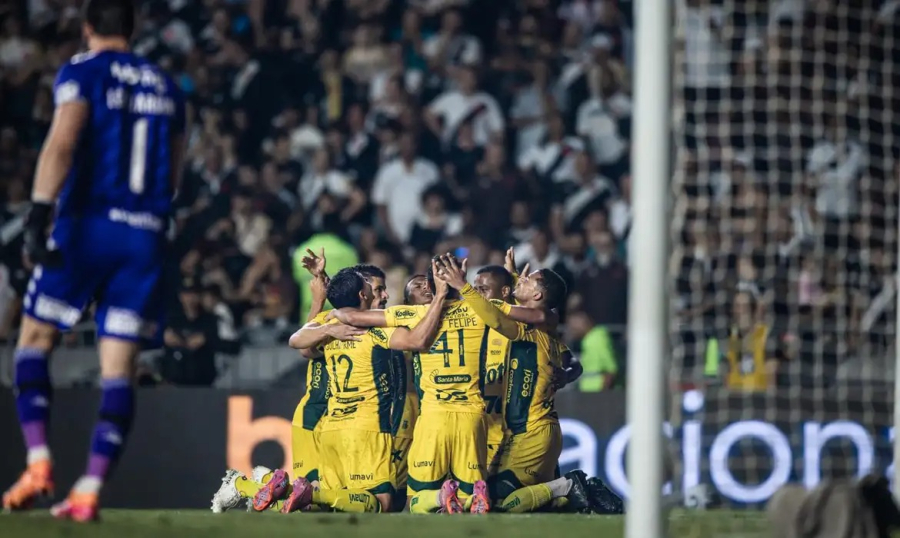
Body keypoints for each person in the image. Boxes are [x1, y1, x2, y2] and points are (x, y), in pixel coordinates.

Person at [3, 0, 186, 521]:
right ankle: (89, 488)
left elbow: (63, 142)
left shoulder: (82, 71)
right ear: (134, 28)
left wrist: (39, 212)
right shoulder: (168, 86)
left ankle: (39, 462)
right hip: (145, 237)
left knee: (34, 339)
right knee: (118, 370)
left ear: (87, 29)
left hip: (86, 228)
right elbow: (171, 179)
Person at [273, 266, 448, 513]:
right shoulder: (375, 330)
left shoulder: (328, 323)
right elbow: (417, 341)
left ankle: (311, 495)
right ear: (362, 296)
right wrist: (440, 298)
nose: (378, 293)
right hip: (367, 426)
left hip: (333, 426)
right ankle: (313, 495)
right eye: (368, 287)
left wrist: (326, 328)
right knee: (383, 503)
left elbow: (298, 342)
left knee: (340, 502)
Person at [434, 255, 589, 514]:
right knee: (487, 497)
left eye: (530, 280)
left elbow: (500, 314)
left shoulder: (533, 324)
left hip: (532, 430)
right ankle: (560, 496)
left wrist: (467, 288)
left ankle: (566, 487)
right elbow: (571, 360)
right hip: (507, 432)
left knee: (495, 504)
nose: (523, 279)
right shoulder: (528, 326)